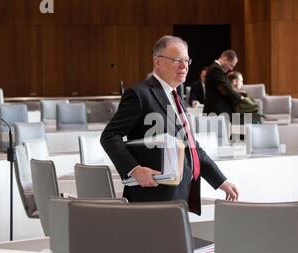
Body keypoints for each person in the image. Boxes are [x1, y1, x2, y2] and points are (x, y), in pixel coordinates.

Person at [101, 35, 239, 215]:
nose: (184, 66)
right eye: (176, 60)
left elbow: (191, 147)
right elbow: (110, 136)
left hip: (179, 195)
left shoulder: (175, 96)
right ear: (157, 62)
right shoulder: (139, 95)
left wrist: (221, 181)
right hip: (152, 197)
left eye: (186, 60)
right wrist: (134, 170)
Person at [203, 49, 242, 120]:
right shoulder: (215, 69)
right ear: (225, 59)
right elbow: (225, 89)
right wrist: (240, 98)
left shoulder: (218, 70)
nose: (231, 69)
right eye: (231, 65)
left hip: (219, 113)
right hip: (216, 113)